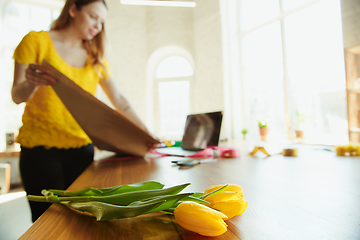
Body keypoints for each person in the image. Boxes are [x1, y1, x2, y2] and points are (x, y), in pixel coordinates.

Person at [11, 0, 156, 222]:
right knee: (47, 224)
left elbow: (119, 99)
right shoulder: (36, 41)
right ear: (73, 10)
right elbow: (17, 96)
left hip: (82, 151)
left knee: (82, 222)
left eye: (102, 21)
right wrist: (31, 82)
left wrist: (146, 133)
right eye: (93, 17)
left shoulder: (96, 55)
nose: (98, 26)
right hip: (39, 152)